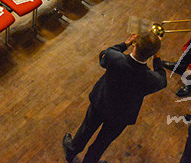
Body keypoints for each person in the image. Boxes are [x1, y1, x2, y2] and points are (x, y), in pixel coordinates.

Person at [62, 32, 166, 163]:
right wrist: (157, 56)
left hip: (101, 102)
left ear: (136, 45)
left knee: (86, 128)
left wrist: (126, 42)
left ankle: (71, 151)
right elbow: (163, 79)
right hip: (121, 116)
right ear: (151, 55)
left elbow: (104, 55)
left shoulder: (115, 58)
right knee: (102, 142)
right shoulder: (152, 79)